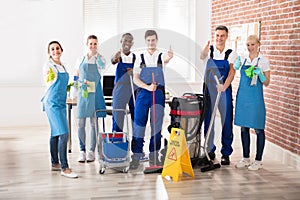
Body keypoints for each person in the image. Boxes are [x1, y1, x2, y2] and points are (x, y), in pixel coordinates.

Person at [130, 30, 173, 170]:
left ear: (157, 40)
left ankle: (154, 157)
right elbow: (135, 78)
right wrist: (147, 87)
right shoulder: (139, 57)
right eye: (148, 40)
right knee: (139, 125)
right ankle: (136, 156)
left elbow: (167, 58)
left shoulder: (160, 56)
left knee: (156, 126)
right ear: (145, 41)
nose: (151, 43)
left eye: (153, 40)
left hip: (158, 94)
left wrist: (170, 55)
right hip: (144, 93)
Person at [200, 25, 238, 165]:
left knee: (226, 120)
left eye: (222, 35)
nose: (219, 38)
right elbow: (201, 56)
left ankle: (226, 153)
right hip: (209, 90)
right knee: (208, 120)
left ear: (226, 36)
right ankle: (209, 150)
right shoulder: (209, 51)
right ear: (214, 36)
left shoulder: (231, 53)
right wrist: (206, 47)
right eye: (217, 35)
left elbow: (232, 72)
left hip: (224, 89)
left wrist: (224, 87)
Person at [41, 41, 78, 178]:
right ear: (49, 52)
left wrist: (70, 93)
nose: (55, 51)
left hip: (61, 102)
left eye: (57, 48)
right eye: (52, 49)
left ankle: (55, 162)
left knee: (55, 133)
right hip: (52, 103)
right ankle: (65, 167)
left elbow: (65, 85)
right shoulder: (48, 66)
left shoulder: (63, 66)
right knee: (63, 133)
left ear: (61, 50)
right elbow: (49, 82)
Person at [234, 35, 270, 170]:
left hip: (255, 99)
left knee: (259, 128)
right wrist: (235, 66)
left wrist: (260, 75)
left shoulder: (264, 61)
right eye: (248, 45)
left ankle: (258, 160)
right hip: (243, 97)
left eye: (252, 45)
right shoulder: (243, 59)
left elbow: (267, 82)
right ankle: (246, 158)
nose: (250, 48)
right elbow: (236, 69)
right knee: (244, 128)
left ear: (258, 44)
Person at [75, 35, 106, 163]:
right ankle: (82, 151)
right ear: (86, 44)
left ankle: (91, 151)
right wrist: (74, 90)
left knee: (94, 124)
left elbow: (102, 67)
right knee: (80, 123)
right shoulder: (80, 59)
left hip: (95, 92)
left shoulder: (100, 59)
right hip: (84, 93)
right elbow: (76, 75)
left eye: (95, 44)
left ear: (97, 45)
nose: (93, 46)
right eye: (91, 44)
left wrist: (97, 57)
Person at [111, 33, 136, 133]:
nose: (127, 43)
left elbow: (140, 73)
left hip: (132, 89)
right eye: (125, 40)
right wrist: (115, 58)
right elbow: (113, 61)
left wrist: (133, 72)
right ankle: (117, 144)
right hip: (120, 89)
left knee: (136, 116)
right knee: (118, 116)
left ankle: (137, 146)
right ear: (121, 42)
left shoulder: (135, 57)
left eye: (129, 41)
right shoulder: (118, 56)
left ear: (132, 43)